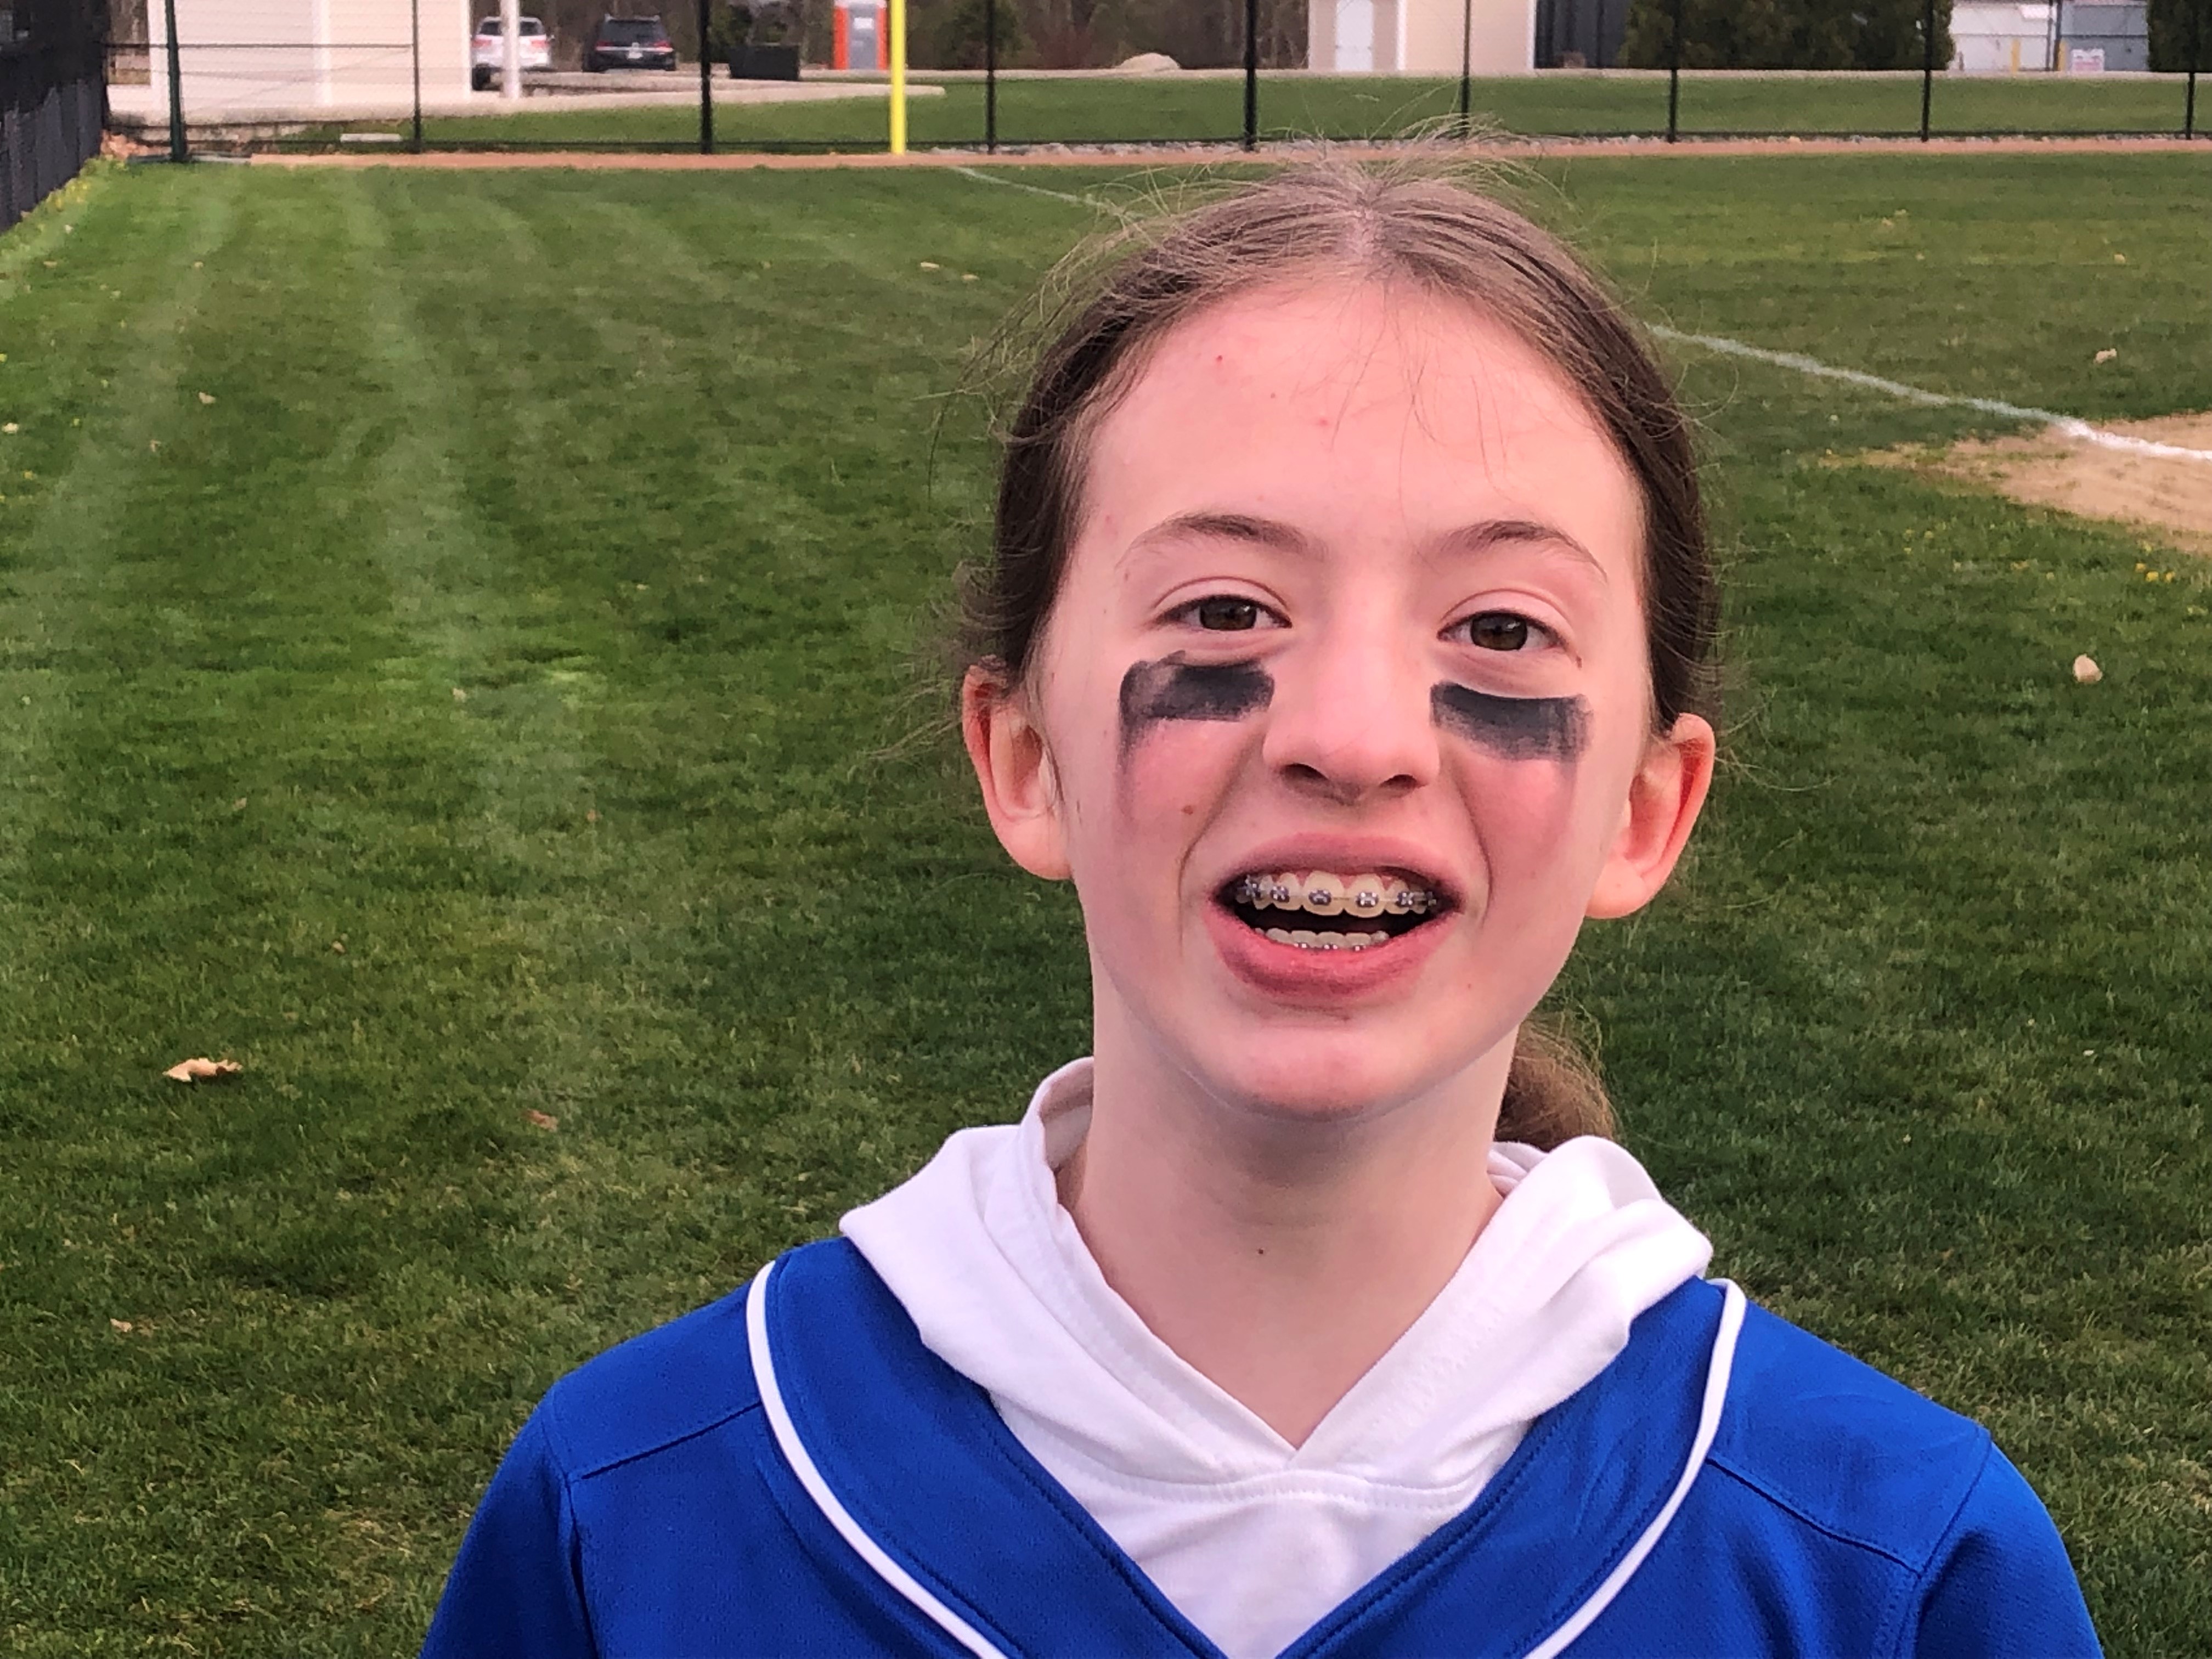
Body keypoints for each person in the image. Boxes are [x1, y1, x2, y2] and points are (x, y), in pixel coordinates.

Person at [421, 163, 2101, 1658]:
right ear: (1024, 759)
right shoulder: (628, 1514)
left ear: (1646, 809)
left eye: (1502, 631)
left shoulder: (1891, 1571)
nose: (1353, 737)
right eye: (1226, 609)